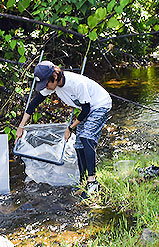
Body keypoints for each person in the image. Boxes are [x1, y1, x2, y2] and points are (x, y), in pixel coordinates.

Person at [16, 61, 112, 197]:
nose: (46, 88)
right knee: (78, 145)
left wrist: (70, 128)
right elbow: (34, 104)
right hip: (86, 108)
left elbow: (86, 109)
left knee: (86, 137)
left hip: (100, 105)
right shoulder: (52, 85)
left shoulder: (76, 83)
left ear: (54, 76)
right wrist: (21, 127)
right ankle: (83, 181)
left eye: (46, 84)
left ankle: (92, 181)